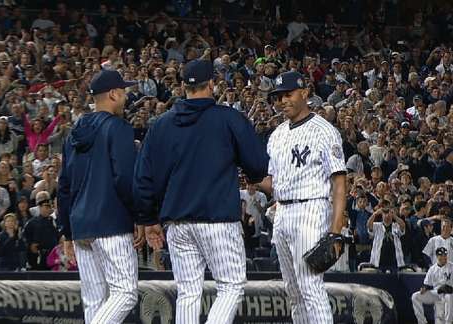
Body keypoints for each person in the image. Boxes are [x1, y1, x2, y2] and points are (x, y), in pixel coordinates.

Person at [133, 60, 267, 324]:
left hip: (178, 225)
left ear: (183, 87)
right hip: (218, 220)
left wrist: (148, 219)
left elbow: (143, 178)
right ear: (213, 84)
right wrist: (250, 174)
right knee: (230, 286)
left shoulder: (161, 125)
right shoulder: (229, 118)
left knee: (188, 292)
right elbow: (258, 165)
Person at [57, 69, 143, 323]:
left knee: (95, 300)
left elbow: (64, 186)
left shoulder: (73, 134)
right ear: (114, 94)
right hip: (112, 222)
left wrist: (67, 232)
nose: (126, 97)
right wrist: (140, 215)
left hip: (81, 225)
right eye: (124, 91)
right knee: (125, 292)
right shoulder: (119, 128)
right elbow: (125, 179)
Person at [264, 71, 347, 323]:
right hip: (282, 213)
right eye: (278, 97)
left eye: (287, 94)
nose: (282, 101)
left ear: (304, 92)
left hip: (311, 209)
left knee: (310, 287)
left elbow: (340, 182)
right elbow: (272, 183)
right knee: (293, 291)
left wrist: (335, 230)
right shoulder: (276, 134)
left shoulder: (324, 130)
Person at [411, 247, 453, 324]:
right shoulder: (432, 269)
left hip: (449, 293)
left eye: (445, 255)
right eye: (441, 255)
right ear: (437, 256)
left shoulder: (451, 267)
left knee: (449, 297)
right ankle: (422, 322)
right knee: (415, 296)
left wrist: (448, 288)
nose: (444, 257)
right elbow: (427, 284)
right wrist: (424, 288)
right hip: (436, 293)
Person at [367, 206, 407, 273]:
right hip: (379, 259)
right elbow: (369, 225)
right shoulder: (377, 226)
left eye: (388, 213)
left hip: (394, 260)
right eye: (385, 213)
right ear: (382, 215)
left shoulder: (396, 225)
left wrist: (394, 216)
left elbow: (403, 226)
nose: (387, 215)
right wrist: (375, 214)